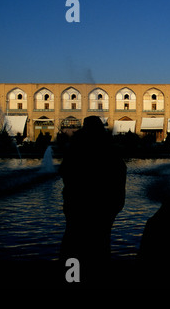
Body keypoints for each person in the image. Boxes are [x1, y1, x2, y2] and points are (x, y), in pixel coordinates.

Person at [59, 116, 126, 270]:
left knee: (74, 245)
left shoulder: (77, 148)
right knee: (100, 245)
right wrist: (116, 204)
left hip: (78, 206)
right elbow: (120, 174)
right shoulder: (109, 149)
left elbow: (64, 171)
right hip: (103, 208)